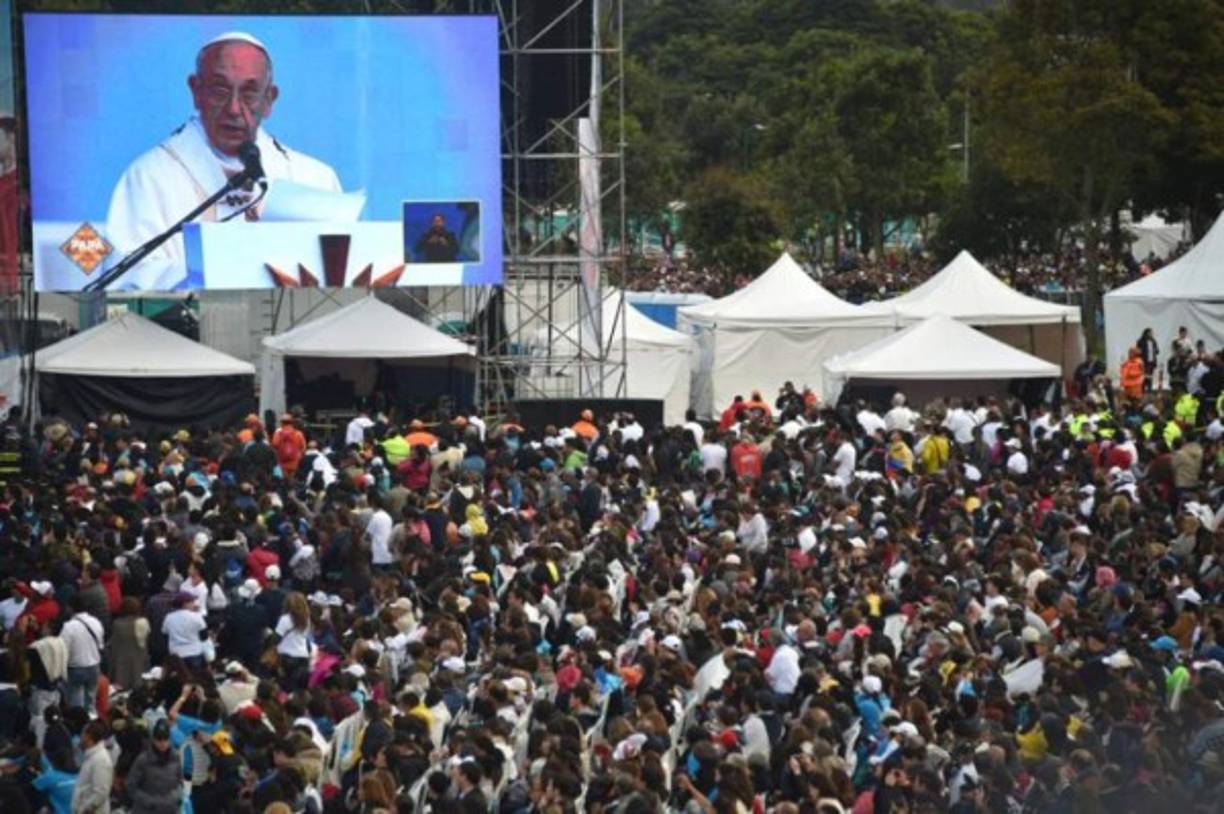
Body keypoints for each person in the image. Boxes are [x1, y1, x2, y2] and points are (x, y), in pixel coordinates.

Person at [104, 32, 342, 289]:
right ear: (196, 91)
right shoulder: (149, 177)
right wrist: (223, 272)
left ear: (269, 100)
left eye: (249, 94)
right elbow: (126, 280)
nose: (233, 108)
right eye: (220, 91)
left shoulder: (314, 179)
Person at [125, 719, 183, 814]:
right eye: (159, 739)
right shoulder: (142, 760)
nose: (162, 743)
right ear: (153, 739)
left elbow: (181, 783)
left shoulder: (176, 758)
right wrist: (148, 801)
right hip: (146, 809)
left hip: (170, 809)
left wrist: (176, 798)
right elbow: (131, 786)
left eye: (165, 739)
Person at [60, 596, 105, 713]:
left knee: (76, 704)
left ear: (71, 608)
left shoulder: (68, 627)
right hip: (94, 666)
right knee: (91, 702)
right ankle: (92, 723)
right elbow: (100, 645)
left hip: (75, 668)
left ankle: (78, 726)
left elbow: (63, 650)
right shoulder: (96, 622)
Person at [72, 719, 113, 814]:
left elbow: (101, 793)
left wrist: (83, 809)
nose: (80, 737)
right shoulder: (91, 757)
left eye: (82, 734)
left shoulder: (101, 760)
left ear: (88, 736)